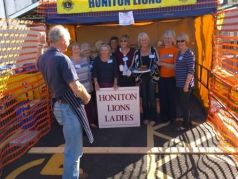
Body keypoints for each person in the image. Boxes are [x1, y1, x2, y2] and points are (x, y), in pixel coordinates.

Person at [37, 25, 93, 179]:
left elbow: (37, 61)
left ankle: (74, 173)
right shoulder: (62, 59)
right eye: (68, 39)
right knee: (73, 152)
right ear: (62, 40)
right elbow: (76, 86)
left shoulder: (44, 57)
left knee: (73, 147)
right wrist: (87, 97)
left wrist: (40, 45)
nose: (69, 42)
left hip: (58, 106)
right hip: (69, 108)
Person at [131, 32, 159, 126]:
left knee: (152, 98)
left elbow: (158, 62)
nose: (144, 41)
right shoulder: (137, 52)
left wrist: (153, 69)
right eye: (142, 40)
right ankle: (146, 117)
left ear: (148, 40)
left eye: (145, 39)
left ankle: (153, 117)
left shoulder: (153, 50)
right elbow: (133, 66)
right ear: (139, 41)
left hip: (152, 77)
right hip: (142, 78)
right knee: (144, 98)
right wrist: (137, 70)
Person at [70, 42, 97, 128]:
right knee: (79, 107)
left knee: (88, 106)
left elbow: (89, 73)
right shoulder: (69, 61)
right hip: (76, 88)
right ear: (71, 50)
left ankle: (90, 122)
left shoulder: (86, 59)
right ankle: (81, 125)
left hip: (87, 87)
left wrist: (92, 86)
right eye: (74, 48)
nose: (76, 50)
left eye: (77, 48)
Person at [157, 30, 179, 124]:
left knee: (171, 98)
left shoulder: (176, 50)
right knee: (163, 98)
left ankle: (172, 117)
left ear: (173, 39)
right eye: (166, 38)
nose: (167, 40)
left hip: (171, 78)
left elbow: (175, 66)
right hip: (161, 78)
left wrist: (163, 64)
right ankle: (164, 117)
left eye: (169, 38)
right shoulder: (160, 49)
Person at [175, 33, 195, 129]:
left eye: (182, 40)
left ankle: (186, 125)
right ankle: (188, 123)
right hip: (179, 83)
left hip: (185, 84)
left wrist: (186, 85)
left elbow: (191, 70)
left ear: (186, 41)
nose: (180, 43)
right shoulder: (179, 52)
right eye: (178, 41)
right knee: (184, 104)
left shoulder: (189, 53)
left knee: (184, 105)